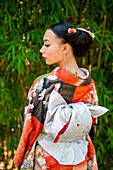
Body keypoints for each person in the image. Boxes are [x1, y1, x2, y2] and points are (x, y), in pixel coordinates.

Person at [13, 23, 108, 170]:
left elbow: (30, 124)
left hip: (48, 157)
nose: (41, 50)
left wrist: (20, 156)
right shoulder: (90, 84)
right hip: (80, 157)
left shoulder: (45, 83)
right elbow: (92, 126)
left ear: (65, 48)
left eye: (47, 45)